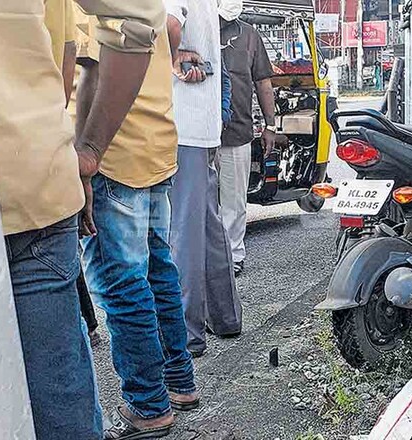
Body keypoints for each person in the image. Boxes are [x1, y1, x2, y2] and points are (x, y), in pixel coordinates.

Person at [0, 0, 164, 438]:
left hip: (92, 173)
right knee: (59, 389)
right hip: (33, 182)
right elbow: (79, 50)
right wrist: (81, 152)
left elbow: (81, 64)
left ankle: (155, 400)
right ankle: (161, 394)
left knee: (124, 282)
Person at [74, 3, 200, 437]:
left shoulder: (95, 9)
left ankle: (147, 405)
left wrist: (82, 158)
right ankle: (178, 381)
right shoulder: (152, 7)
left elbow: (90, 74)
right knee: (157, 271)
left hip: (112, 153)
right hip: (157, 146)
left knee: (122, 284)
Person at [167, 0, 243, 358]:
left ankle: (187, 335)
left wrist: (167, 57)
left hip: (180, 123)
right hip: (203, 125)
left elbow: (169, 24)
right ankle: (225, 316)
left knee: (184, 232)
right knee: (208, 226)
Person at [45, 0, 102, 347]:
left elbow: (83, 64)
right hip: (48, 153)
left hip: (56, 153)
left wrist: (85, 154)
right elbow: (71, 61)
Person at [217, 0, 277, 276]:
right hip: (197, 134)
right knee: (196, 201)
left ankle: (234, 255)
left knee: (234, 200)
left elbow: (263, 83)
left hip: (237, 132)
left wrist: (270, 126)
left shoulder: (249, 36)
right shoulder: (191, 30)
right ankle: (204, 257)